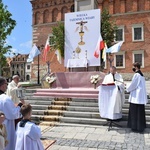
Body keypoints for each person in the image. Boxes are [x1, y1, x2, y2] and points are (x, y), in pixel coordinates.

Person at [0, 76, 24, 150]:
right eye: (5, 84)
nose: (6, 86)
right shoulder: (4, 99)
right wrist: (20, 105)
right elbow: (14, 114)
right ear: (2, 85)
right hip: (5, 126)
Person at [126, 62, 147, 132]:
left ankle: (135, 126)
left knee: (135, 112)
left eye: (133, 67)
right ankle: (140, 126)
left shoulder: (137, 75)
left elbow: (133, 85)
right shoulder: (141, 75)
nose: (133, 68)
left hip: (136, 97)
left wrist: (127, 87)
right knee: (139, 112)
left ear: (136, 67)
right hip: (140, 96)